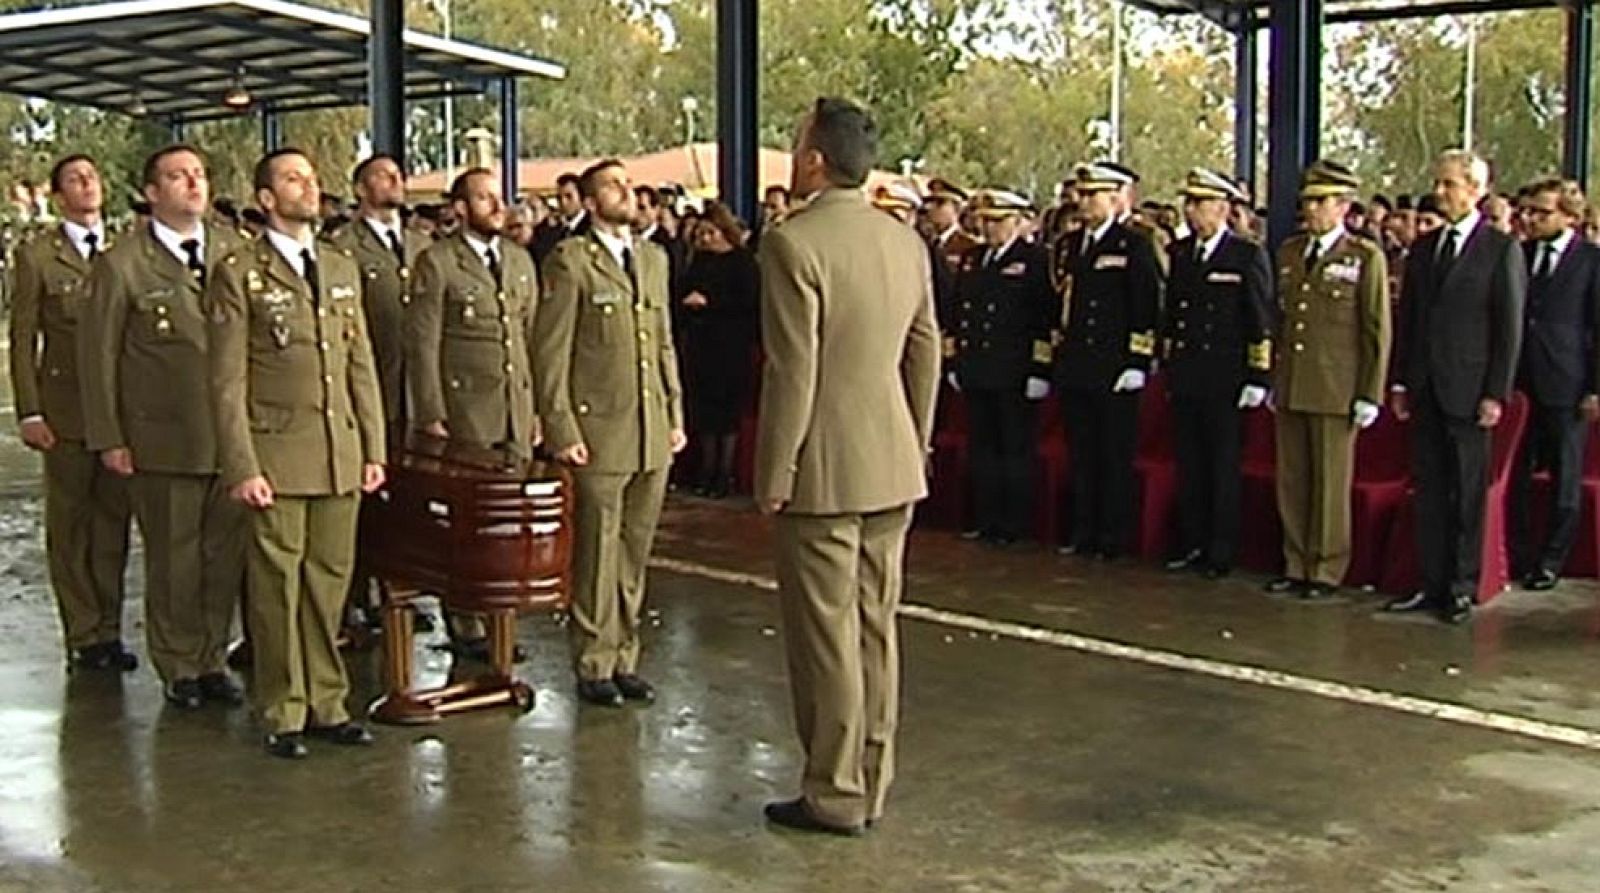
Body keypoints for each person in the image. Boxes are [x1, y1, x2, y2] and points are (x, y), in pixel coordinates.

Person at [754, 97, 940, 837]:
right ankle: (872, 776)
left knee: (825, 635)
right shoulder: (906, 242)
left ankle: (832, 790)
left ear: (814, 160)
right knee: (874, 628)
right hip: (891, 459)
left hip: (824, 468)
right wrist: (913, 439)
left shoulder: (793, 244)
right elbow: (924, 350)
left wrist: (774, 472)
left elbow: (791, 371)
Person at [206, 148, 386, 759]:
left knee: (329, 582)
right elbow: (227, 379)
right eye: (292, 179)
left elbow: (358, 364)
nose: (308, 187)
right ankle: (284, 707)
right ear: (265, 199)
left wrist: (372, 445)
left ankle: (328, 701)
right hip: (276, 453)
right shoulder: (239, 270)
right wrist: (242, 464)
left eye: (311, 178)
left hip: (338, 450)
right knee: (277, 584)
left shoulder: (338, 266)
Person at [78, 145, 247, 708]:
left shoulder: (234, 250)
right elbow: (97, 358)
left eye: (199, 174)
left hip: (228, 439)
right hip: (161, 438)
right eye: (178, 177)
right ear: (152, 193)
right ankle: (178, 665)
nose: (193, 185)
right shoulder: (123, 263)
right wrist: (110, 437)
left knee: (222, 557)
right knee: (174, 557)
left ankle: (213, 657)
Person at [533, 158, 686, 708]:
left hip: (648, 429)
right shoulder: (572, 262)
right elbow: (550, 353)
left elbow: (663, 342)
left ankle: (625, 653)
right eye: (613, 187)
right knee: (597, 550)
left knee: (635, 549)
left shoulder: (653, 259)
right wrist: (560, 426)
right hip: (598, 427)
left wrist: (674, 414)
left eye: (627, 184)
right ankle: (593, 657)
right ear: (592, 203)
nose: (627, 192)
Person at [406, 167, 541, 656]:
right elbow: (423, 342)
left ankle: (500, 620)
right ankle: (465, 624)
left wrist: (537, 406)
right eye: (483, 198)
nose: (495, 205)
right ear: (460, 209)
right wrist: (430, 411)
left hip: (514, 408)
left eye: (497, 196)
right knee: (466, 522)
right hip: (466, 410)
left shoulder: (520, 260)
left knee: (508, 522)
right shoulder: (438, 263)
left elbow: (530, 339)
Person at [1387, 149, 1526, 624]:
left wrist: (1496, 392)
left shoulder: (1499, 248)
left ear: (1475, 190)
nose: (1440, 192)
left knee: (1466, 491)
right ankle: (1430, 581)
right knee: (1429, 488)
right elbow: (1409, 321)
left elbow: (1508, 328)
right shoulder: (1425, 248)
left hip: (1469, 389)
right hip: (1426, 385)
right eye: (1439, 183)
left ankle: (1462, 585)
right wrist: (1401, 380)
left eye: (1450, 184)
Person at [7, 154, 135, 671]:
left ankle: (109, 627)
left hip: (122, 414)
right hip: (68, 412)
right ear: (59, 197)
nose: (88, 185)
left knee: (114, 526)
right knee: (72, 526)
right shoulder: (39, 256)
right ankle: (82, 633)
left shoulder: (126, 249)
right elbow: (22, 339)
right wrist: (30, 411)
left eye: (93, 176)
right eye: (76, 180)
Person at [1268, 160, 1390, 599]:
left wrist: (1369, 393)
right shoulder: (1290, 252)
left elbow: (1375, 329)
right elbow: (1280, 322)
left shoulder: (1363, 257)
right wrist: (1271, 376)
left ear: (1343, 206)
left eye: (1321, 202)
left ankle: (1326, 567)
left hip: (1337, 386)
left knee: (1330, 483)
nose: (1312, 210)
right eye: (1308, 202)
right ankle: (1296, 560)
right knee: (1294, 479)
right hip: (1294, 381)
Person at [1161, 168, 1275, 579]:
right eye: (1189, 204)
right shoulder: (1181, 253)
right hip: (1190, 374)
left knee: (1222, 468)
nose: (1191, 211)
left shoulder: (1245, 255)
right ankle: (1194, 542)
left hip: (1227, 378)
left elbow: (1259, 319)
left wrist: (1258, 376)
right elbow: (1173, 317)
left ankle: (1220, 550)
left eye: (1200, 203)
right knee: (1191, 465)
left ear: (1223, 208)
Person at [1051, 162, 1162, 560]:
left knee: (1113, 457)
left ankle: (1112, 535)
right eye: (1081, 195)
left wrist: (1137, 358)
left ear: (1114, 199)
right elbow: (1061, 306)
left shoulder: (1132, 245)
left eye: (1093, 195)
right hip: (1079, 365)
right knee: (1081, 454)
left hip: (1115, 367)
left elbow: (1145, 305)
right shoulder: (1069, 245)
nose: (1084, 203)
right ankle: (1084, 530)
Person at [947, 189, 1055, 546]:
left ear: (1015, 221)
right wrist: (955, 359)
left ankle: (1014, 523)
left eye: (998, 221)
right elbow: (959, 312)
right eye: (986, 221)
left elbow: (1044, 319)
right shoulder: (973, 259)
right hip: (979, 365)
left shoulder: (1035, 260)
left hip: (1014, 369)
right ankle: (985, 517)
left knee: (1013, 450)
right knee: (983, 449)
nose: (990, 228)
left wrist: (1040, 369)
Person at [1508, 177, 1600, 591]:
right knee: (1518, 475)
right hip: (1521, 381)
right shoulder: (1519, 254)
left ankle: (1551, 560)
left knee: (1566, 475)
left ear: (1569, 216)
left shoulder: (1591, 261)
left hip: (1568, 381)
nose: (1531, 219)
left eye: (1542, 213)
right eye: (1528, 211)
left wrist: (1595, 388)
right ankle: (1520, 554)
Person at [679, 203, 759, 497]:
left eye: (710, 232)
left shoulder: (742, 262)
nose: (705, 239)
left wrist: (711, 303)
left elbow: (749, 303)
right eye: (701, 233)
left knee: (726, 415)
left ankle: (724, 474)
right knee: (704, 413)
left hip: (730, 346)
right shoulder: (699, 261)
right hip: (702, 345)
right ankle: (706, 470)